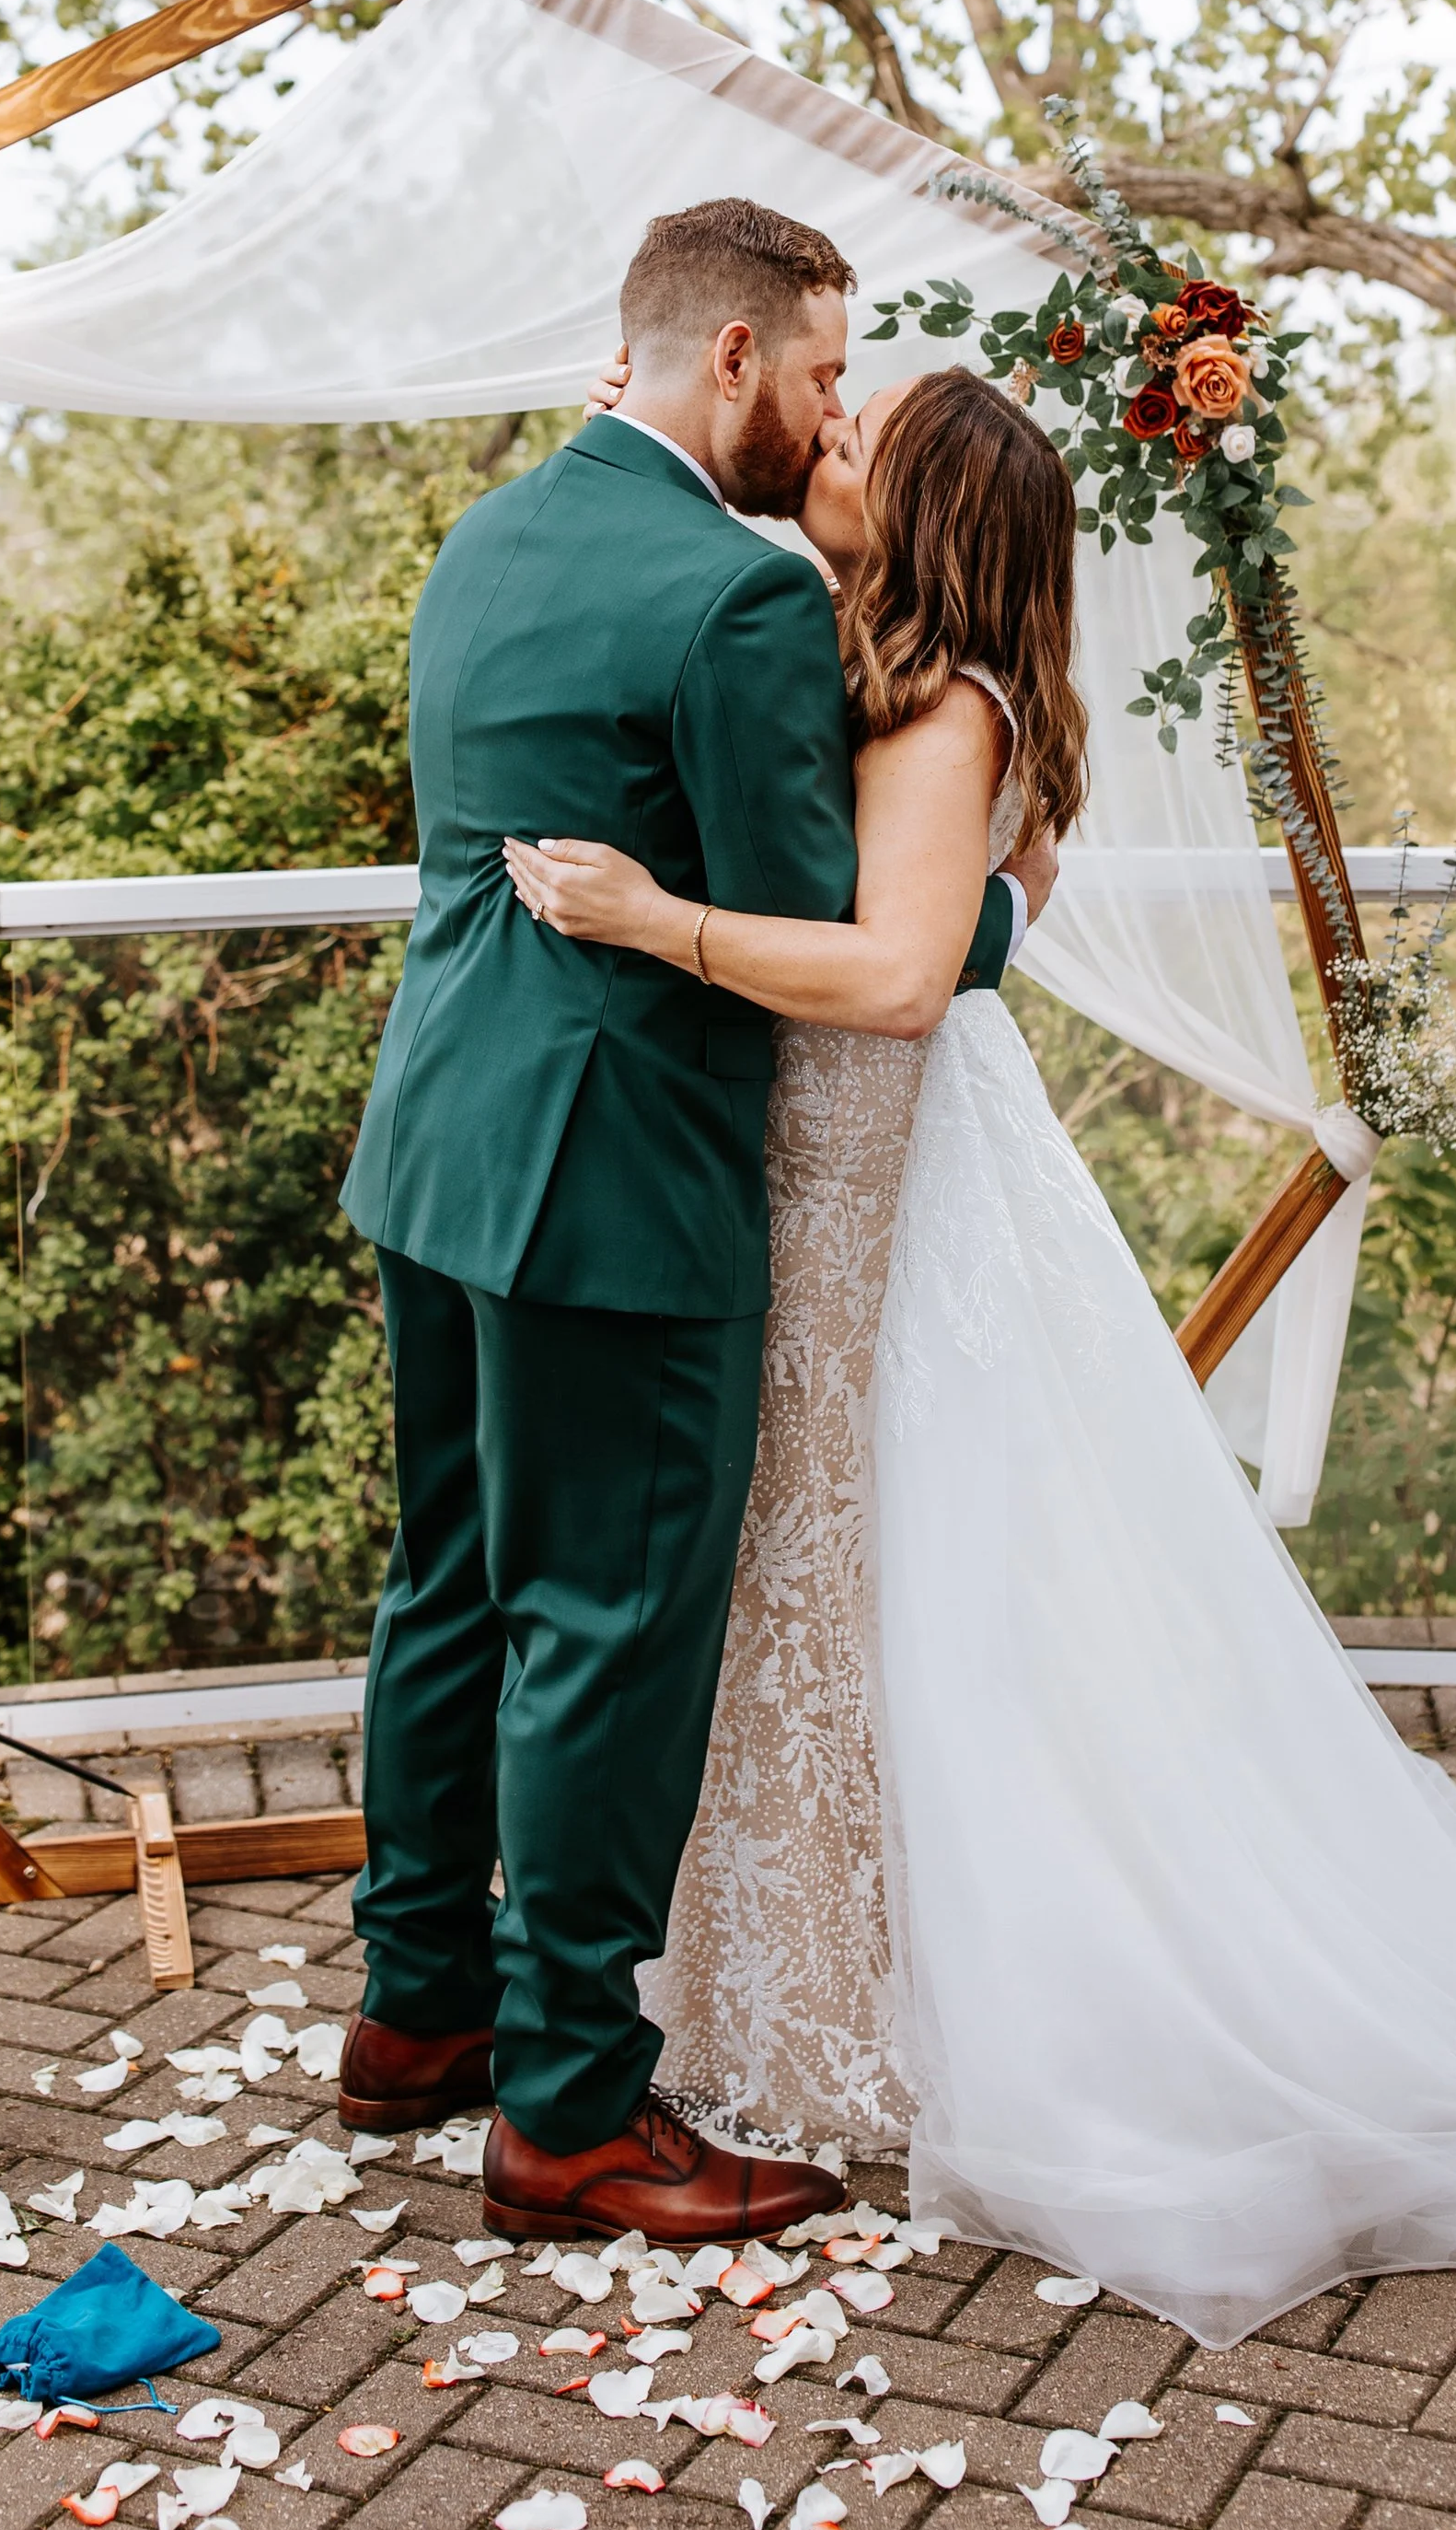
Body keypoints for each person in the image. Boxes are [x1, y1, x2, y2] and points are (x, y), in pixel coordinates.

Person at [503, 360, 1456, 2344]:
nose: (815, 461)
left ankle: (909, 1995)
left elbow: (904, 977)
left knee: (916, 1578)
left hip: (889, 1165)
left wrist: (645, 917)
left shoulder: (942, 712)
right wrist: (653, 434)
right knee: (864, 1576)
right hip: (854, 1172)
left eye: (852, 449)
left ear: (922, 515)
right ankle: (799, 1972)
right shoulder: (889, 665)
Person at [332, 195, 1043, 2247]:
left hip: (440, 1146)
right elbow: (824, 916)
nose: (832, 412)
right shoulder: (732, 603)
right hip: (616, 1179)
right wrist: (998, 902)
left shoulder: (490, 535)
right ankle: (565, 2113)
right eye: (823, 371)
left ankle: (412, 2015)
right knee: (606, 1632)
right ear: (728, 357)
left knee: (448, 1585)